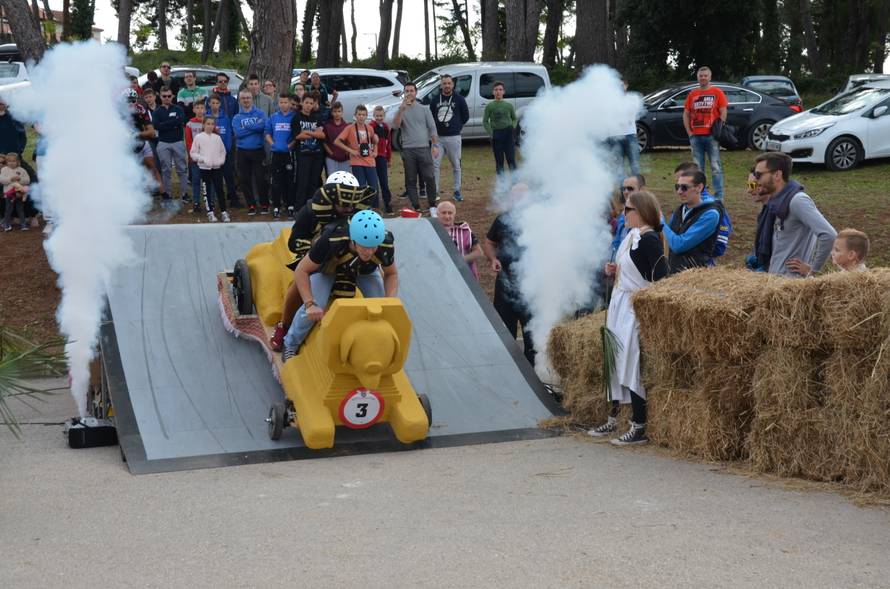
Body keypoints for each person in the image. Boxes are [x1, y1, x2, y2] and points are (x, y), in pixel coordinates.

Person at [588, 190, 669, 445]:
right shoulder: (631, 236)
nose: (624, 215)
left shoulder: (649, 240)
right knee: (613, 357)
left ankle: (639, 424)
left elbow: (660, 278)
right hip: (619, 303)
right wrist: (614, 270)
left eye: (628, 210)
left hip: (634, 305)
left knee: (631, 360)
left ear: (641, 212)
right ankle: (613, 418)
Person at [269, 171, 373, 351]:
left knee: (373, 276)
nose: (349, 209)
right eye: (343, 204)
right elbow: (294, 241)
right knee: (298, 287)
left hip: (351, 258)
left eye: (351, 204)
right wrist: (315, 247)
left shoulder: (360, 212)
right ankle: (284, 326)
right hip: (318, 260)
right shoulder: (310, 211)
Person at [281, 210, 397, 361]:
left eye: (373, 247)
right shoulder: (331, 240)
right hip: (329, 270)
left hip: (364, 271)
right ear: (353, 240)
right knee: (316, 305)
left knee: (380, 307)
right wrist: (309, 303)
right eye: (363, 246)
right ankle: (290, 344)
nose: (369, 252)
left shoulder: (385, 243)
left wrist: (389, 300)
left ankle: (375, 344)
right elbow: (301, 270)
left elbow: (392, 273)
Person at [753, 152, 837, 278]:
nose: (755, 180)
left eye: (758, 175)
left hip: (791, 286)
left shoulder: (798, 201)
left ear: (777, 175)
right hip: (776, 282)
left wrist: (813, 270)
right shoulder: (776, 203)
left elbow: (829, 235)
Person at [483, 187, 535, 365]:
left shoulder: (541, 218)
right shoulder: (503, 219)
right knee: (505, 329)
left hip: (532, 283)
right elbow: (489, 242)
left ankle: (535, 373)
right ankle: (508, 368)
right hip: (505, 280)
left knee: (532, 332)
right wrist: (493, 259)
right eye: (515, 196)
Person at [393, 81, 440, 214]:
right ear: (404, 94)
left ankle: (432, 205)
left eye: (411, 91)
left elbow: (432, 128)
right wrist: (401, 109)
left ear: (416, 92)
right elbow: (395, 126)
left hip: (424, 148)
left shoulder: (424, 109)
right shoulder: (400, 109)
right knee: (411, 179)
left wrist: (435, 145)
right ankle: (416, 206)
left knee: (429, 177)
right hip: (408, 150)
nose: (409, 93)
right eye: (406, 91)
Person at [663, 169, 721, 273]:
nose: (679, 191)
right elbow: (667, 240)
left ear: (699, 187)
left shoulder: (710, 215)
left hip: (693, 277)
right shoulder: (680, 210)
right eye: (677, 187)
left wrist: (660, 222)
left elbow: (679, 245)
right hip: (673, 273)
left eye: (684, 187)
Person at [683, 66, 727, 199]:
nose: (703, 78)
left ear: (710, 77)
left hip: (711, 136)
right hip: (696, 137)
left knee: (716, 167)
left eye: (705, 75)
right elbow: (686, 114)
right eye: (700, 76)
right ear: (697, 77)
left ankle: (719, 197)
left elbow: (723, 111)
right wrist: (689, 133)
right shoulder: (692, 94)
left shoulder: (717, 92)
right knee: (698, 170)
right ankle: (701, 195)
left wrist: (719, 128)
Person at [429, 74, 469, 201]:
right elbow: (431, 118)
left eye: (449, 83)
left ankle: (457, 191)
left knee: (456, 165)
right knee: (435, 165)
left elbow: (465, 116)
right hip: (438, 139)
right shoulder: (435, 100)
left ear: (452, 84)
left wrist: (456, 126)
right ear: (441, 85)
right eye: (444, 83)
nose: (446, 85)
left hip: (453, 137)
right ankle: (434, 192)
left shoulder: (459, 99)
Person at [232, 89, 269, 215]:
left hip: (258, 150)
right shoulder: (237, 117)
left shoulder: (260, 113)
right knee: (245, 179)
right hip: (242, 151)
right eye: (243, 98)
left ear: (251, 99)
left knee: (261, 179)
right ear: (240, 100)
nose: (246, 100)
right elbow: (238, 133)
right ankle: (251, 205)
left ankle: (264, 204)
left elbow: (263, 127)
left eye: (248, 98)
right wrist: (254, 128)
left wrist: (246, 127)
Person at [335, 105, 379, 205]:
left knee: (374, 186)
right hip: (357, 162)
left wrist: (375, 151)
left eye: (363, 115)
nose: (361, 117)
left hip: (370, 161)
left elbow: (375, 140)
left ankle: (374, 208)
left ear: (366, 116)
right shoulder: (349, 128)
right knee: (361, 186)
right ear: (355, 115)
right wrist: (351, 150)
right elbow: (337, 141)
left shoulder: (370, 128)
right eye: (359, 114)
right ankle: (361, 208)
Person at [289, 93, 326, 212]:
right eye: (307, 103)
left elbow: (322, 135)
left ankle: (311, 208)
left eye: (311, 103)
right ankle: (299, 208)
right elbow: (298, 136)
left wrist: (308, 132)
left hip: (317, 154)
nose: (309, 105)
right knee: (302, 180)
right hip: (303, 154)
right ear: (302, 103)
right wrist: (313, 132)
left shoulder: (317, 117)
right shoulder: (296, 117)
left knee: (314, 181)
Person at [189, 116, 230, 223]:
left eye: (212, 124)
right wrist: (203, 159)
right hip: (204, 168)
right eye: (208, 124)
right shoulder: (198, 137)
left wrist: (220, 161)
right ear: (203, 125)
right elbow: (193, 153)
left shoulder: (217, 138)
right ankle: (210, 212)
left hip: (217, 168)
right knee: (206, 190)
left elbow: (223, 152)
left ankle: (223, 212)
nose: (210, 126)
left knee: (220, 190)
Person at [154, 86, 190, 203]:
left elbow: (181, 120)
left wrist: (165, 124)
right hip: (163, 143)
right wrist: (173, 124)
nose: (167, 98)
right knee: (166, 170)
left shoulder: (178, 108)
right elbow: (156, 126)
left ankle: (184, 194)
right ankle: (168, 195)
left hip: (178, 142)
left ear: (172, 96)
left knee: (182, 169)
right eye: (164, 96)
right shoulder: (157, 111)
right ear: (160, 97)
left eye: (169, 96)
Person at [787, 229, 870, 276]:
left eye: (837, 250)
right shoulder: (845, 274)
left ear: (851, 255)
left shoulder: (858, 279)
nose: (831, 253)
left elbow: (824, 292)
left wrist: (809, 273)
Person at [265, 93, 296, 218]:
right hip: (276, 154)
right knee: (276, 181)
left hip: (289, 154)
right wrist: (273, 144)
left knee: (289, 180)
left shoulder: (294, 117)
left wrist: (290, 145)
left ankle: (290, 205)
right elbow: (267, 133)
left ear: (290, 103)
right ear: (278, 103)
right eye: (281, 102)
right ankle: (276, 206)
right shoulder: (273, 117)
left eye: (286, 102)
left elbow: (296, 135)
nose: (283, 104)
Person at [437, 200, 483, 280]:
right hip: (440, 274)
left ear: (454, 215)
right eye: (443, 213)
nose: (447, 216)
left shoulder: (464, 230)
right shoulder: (431, 230)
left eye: (450, 213)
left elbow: (479, 252)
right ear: (437, 214)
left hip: (463, 274)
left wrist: (460, 261)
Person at [207, 93, 238, 208]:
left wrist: (228, 149)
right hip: (212, 153)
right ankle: (214, 200)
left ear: (220, 104)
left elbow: (229, 134)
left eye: (217, 103)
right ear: (209, 104)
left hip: (225, 151)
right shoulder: (207, 117)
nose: (215, 105)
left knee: (228, 176)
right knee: (215, 177)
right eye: (212, 103)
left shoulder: (225, 117)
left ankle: (233, 198)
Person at [608, 77, 641, 176]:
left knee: (634, 163)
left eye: (622, 85)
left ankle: (637, 188)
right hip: (615, 136)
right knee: (619, 165)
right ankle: (624, 189)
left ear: (626, 86)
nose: (620, 87)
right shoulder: (609, 100)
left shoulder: (632, 99)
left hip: (630, 134)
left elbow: (632, 112)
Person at [482, 81, 518, 175]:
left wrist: (512, 127)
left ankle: (515, 182)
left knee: (511, 159)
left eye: (500, 90)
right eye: (496, 90)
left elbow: (514, 119)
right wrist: (492, 133)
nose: (498, 92)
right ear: (493, 92)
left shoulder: (508, 106)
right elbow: (485, 121)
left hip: (508, 134)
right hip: (496, 135)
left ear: (503, 92)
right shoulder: (490, 106)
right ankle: (501, 184)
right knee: (499, 161)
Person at [745, 168, 774, 272]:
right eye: (748, 185)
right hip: (763, 259)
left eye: (752, 185)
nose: (748, 190)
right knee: (749, 259)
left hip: (773, 266)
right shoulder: (765, 211)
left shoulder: (777, 212)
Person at [611, 174, 646, 258]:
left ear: (641, 190)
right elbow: (617, 242)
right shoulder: (623, 214)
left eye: (630, 188)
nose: (626, 192)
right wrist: (612, 261)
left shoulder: (649, 215)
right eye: (623, 189)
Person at [184, 100, 207, 213]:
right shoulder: (189, 124)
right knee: (196, 180)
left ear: (205, 109)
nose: (199, 110)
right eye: (197, 108)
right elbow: (188, 142)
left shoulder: (209, 122)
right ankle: (196, 202)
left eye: (202, 108)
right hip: (195, 158)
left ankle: (210, 201)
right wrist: (192, 156)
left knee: (208, 180)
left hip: (207, 157)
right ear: (193, 110)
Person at [370, 105, 393, 214]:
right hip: (373, 157)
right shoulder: (370, 126)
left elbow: (388, 144)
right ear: (374, 116)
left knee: (384, 181)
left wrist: (389, 159)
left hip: (382, 158)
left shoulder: (386, 127)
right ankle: (375, 206)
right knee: (373, 182)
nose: (379, 118)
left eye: (381, 116)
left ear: (384, 116)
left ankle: (388, 203)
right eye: (377, 116)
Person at [1, 152, 30, 231]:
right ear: (6, 162)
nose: (12, 163)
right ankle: (7, 225)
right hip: (9, 194)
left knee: (20, 209)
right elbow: (2, 180)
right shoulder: (4, 170)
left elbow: (27, 180)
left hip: (19, 193)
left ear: (18, 161)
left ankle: (23, 224)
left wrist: (20, 179)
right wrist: (10, 179)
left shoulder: (22, 170)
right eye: (9, 161)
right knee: (8, 210)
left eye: (14, 161)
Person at [322, 101, 350, 175]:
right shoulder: (327, 126)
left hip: (345, 159)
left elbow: (349, 141)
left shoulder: (346, 126)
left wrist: (347, 152)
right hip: (331, 159)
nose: (337, 113)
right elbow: (324, 142)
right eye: (334, 111)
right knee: (333, 180)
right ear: (331, 113)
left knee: (345, 181)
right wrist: (331, 153)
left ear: (342, 112)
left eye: (339, 111)